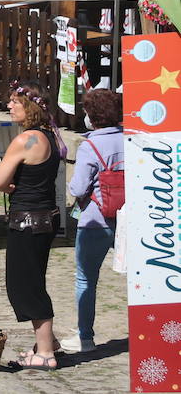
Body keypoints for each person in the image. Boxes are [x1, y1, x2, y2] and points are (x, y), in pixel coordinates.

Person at [0, 81, 66, 369]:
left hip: (27, 219)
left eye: (15, 102)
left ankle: (46, 354)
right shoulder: (51, 137)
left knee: (25, 285)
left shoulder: (25, 140)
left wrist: (12, 187)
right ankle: (49, 342)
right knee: (33, 279)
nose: (9, 106)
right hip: (45, 216)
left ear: (30, 107)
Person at [63, 87, 123, 355]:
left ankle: (85, 336)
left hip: (96, 220)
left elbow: (77, 189)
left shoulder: (91, 146)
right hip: (129, 220)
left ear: (90, 116)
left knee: (86, 279)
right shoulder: (132, 140)